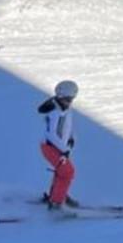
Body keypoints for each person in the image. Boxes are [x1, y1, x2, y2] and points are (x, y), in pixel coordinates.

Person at [38, 79, 79, 208]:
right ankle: (56, 202)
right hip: (50, 147)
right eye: (67, 99)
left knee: (62, 171)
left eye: (71, 99)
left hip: (58, 147)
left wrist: (71, 137)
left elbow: (67, 125)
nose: (69, 102)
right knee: (68, 172)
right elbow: (51, 134)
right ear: (60, 97)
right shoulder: (55, 112)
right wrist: (64, 149)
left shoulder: (64, 108)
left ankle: (57, 194)